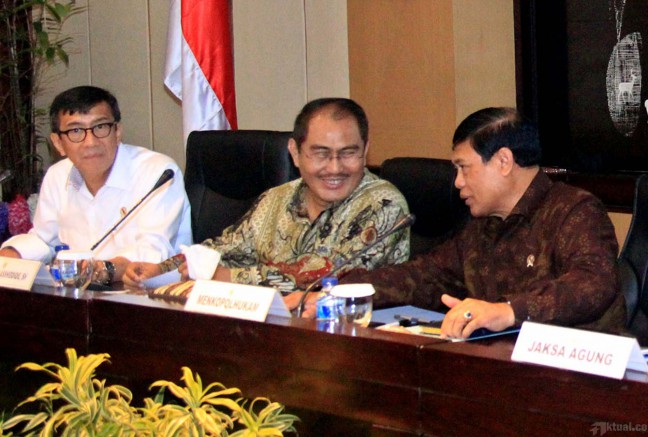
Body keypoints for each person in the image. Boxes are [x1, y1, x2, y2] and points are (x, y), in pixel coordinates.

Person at [341, 107, 626, 338]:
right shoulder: (481, 226)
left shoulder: (573, 210)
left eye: (464, 168)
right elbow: (425, 276)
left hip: (579, 369)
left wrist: (509, 311)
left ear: (503, 161)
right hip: (501, 363)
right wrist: (342, 292)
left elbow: (594, 283)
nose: (457, 182)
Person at [124, 97, 410, 307]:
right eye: (321, 154)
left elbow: (324, 275)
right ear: (295, 153)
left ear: (365, 150)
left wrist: (226, 277)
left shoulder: (383, 204)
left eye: (348, 153)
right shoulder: (277, 198)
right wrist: (162, 269)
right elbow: (224, 249)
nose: (335, 168)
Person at [0, 85, 192, 285]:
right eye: (76, 131)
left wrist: (104, 269)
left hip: (146, 296)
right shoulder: (57, 175)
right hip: (78, 294)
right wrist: (11, 254)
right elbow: (44, 240)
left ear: (117, 131)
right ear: (58, 143)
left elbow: (153, 249)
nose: (90, 142)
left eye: (100, 127)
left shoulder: (158, 172)